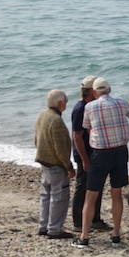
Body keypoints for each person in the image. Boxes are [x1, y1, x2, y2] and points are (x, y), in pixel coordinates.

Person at [74, 77, 129, 247]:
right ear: (109, 90)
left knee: (91, 195)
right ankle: (116, 232)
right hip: (119, 151)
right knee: (116, 193)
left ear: (95, 92)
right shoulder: (120, 103)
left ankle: (85, 235)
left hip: (100, 153)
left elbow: (87, 127)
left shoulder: (89, 106)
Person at [34, 90, 75, 239]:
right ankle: (55, 229)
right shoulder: (56, 120)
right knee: (59, 196)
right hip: (55, 164)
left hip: (43, 160)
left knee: (46, 194)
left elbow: (36, 139)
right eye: (65, 101)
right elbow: (61, 148)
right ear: (60, 103)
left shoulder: (42, 115)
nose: (66, 104)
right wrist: (68, 166)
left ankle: (43, 226)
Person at [69, 76, 108, 232]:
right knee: (83, 186)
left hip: (94, 152)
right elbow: (77, 136)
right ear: (91, 92)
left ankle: (95, 219)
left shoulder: (91, 106)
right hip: (85, 154)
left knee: (96, 186)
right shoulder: (80, 108)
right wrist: (85, 159)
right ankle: (78, 222)